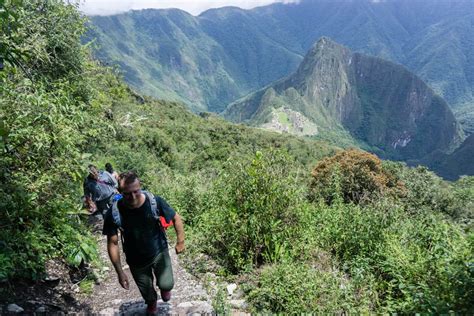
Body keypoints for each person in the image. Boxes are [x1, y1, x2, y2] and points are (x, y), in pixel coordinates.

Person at [103, 171, 185, 315]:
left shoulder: (155, 201)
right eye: (127, 193)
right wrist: (119, 272)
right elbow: (113, 243)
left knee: (167, 284)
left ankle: (164, 288)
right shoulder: (114, 212)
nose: (133, 197)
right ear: (119, 191)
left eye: (136, 191)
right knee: (146, 291)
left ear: (140, 186)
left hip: (159, 251)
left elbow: (176, 218)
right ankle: (151, 303)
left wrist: (181, 242)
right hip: (135, 260)